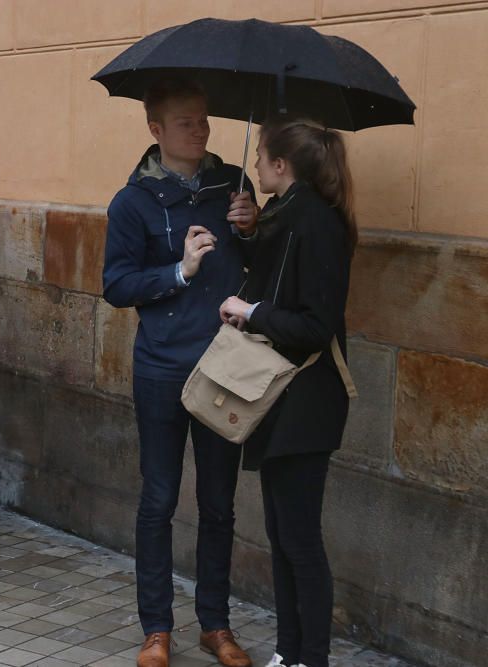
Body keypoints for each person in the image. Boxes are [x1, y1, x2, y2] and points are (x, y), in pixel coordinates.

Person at [102, 77, 258, 667]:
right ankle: (157, 629)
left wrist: (252, 228)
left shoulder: (233, 184)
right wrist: (180, 271)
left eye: (204, 118)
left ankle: (214, 625)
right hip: (163, 367)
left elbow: (259, 268)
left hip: (225, 365)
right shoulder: (132, 201)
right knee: (159, 500)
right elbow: (115, 285)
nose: (202, 128)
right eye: (188, 121)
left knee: (219, 502)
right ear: (156, 131)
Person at [219, 118, 356, 667]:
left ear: (281, 165)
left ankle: (311, 658)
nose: (254, 169)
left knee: (299, 539)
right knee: (280, 534)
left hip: (307, 399)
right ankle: (288, 652)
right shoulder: (287, 215)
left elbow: (315, 324)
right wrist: (250, 231)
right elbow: (276, 275)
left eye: (261, 161)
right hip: (280, 397)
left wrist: (249, 311)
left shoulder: (317, 222)